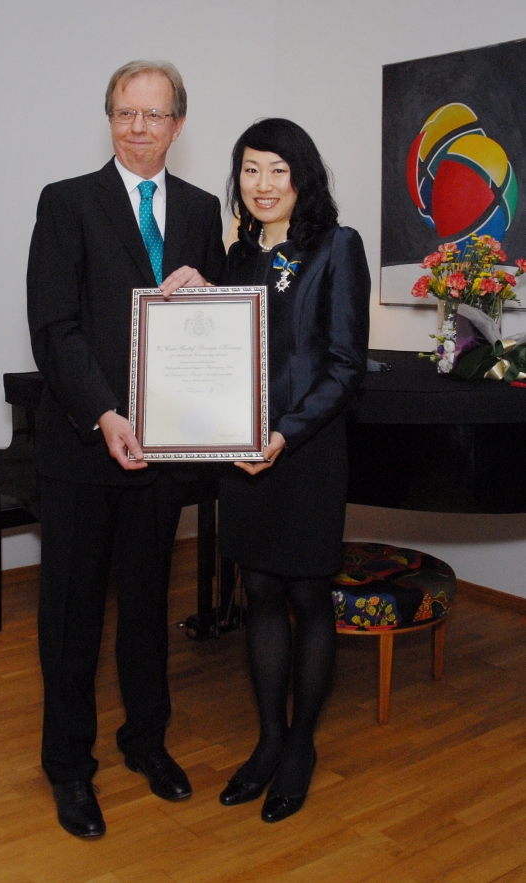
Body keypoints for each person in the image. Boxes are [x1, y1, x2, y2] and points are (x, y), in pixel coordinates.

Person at [27, 60, 225, 838]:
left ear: (179, 123)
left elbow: (222, 322)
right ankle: (69, 767)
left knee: (147, 608)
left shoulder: (206, 211)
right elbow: (54, 326)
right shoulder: (67, 201)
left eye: (154, 114)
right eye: (125, 112)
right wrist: (106, 412)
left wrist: (210, 298)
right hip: (85, 448)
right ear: (109, 118)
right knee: (72, 618)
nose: (138, 127)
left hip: (166, 455)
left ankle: (147, 741)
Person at [218, 118, 370, 822]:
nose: (263, 184)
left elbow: (344, 369)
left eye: (277, 169)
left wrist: (283, 434)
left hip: (305, 454)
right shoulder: (235, 259)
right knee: (258, 593)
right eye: (250, 170)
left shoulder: (338, 247)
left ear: (302, 176)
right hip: (241, 458)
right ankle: (268, 739)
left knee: (309, 599)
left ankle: (302, 744)